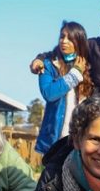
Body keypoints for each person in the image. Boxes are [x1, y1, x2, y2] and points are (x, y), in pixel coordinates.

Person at [35, 21, 94, 155]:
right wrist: (74, 74)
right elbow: (49, 93)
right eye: (62, 37)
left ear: (79, 41)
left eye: (70, 38)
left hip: (83, 140)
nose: (64, 41)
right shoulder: (48, 65)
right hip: (55, 140)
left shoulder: (90, 65)